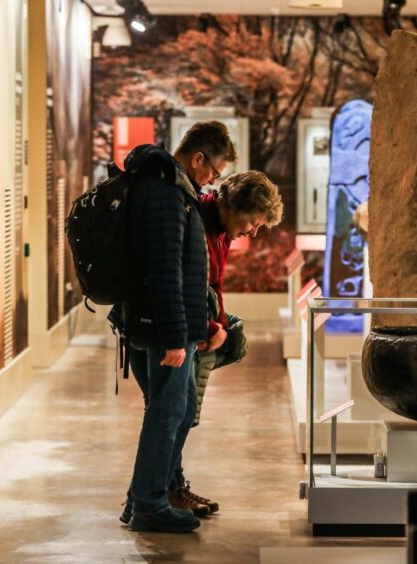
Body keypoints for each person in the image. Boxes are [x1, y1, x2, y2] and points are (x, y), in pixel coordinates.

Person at [113, 121, 236, 533]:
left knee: (176, 410)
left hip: (168, 323)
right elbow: (165, 269)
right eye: (214, 171)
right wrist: (173, 337)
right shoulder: (166, 193)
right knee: (166, 414)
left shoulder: (172, 188)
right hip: (164, 326)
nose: (212, 181)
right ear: (198, 157)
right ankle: (149, 504)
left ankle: (140, 499)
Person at [167, 170, 284, 516]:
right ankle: (154, 497)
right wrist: (207, 328)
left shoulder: (220, 230)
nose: (252, 231)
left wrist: (218, 326)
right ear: (236, 206)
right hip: (176, 333)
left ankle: (169, 490)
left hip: (195, 332)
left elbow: (214, 284)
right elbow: (182, 284)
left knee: (181, 414)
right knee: (174, 415)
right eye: (254, 223)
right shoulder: (196, 222)